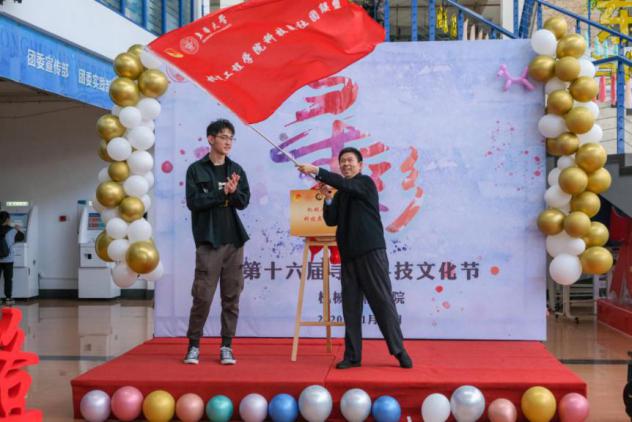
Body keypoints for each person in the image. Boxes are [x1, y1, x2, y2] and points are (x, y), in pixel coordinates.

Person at [297, 147, 412, 369]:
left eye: (350, 160)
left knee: (382, 301)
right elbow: (331, 220)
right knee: (350, 307)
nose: (346, 164)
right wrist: (328, 199)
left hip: (371, 252)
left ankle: (398, 350)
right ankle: (352, 356)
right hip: (349, 256)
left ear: (360, 165)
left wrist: (316, 171)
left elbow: (347, 185)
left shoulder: (365, 183)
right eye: (342, 161)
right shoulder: (341, 193)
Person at [183, 119, 250, 365]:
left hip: (234, 241)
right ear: (211, 139)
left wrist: (233, 193)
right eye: (223, 137)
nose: (228, 142)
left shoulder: (236, 170)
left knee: (231, 297)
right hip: (208, 241)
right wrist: (222, 193)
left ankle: (226, 346)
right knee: (202, 296)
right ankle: (193, 345)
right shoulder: (196, 170)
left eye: (231, 138)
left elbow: (244, 201)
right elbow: (194, 202)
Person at [0, 211, 25, 306]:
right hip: (8, 259)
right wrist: (18, 229)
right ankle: (8, 298)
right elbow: (22, 237)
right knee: (8, 279)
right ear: (7, 219)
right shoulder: (12, 230)